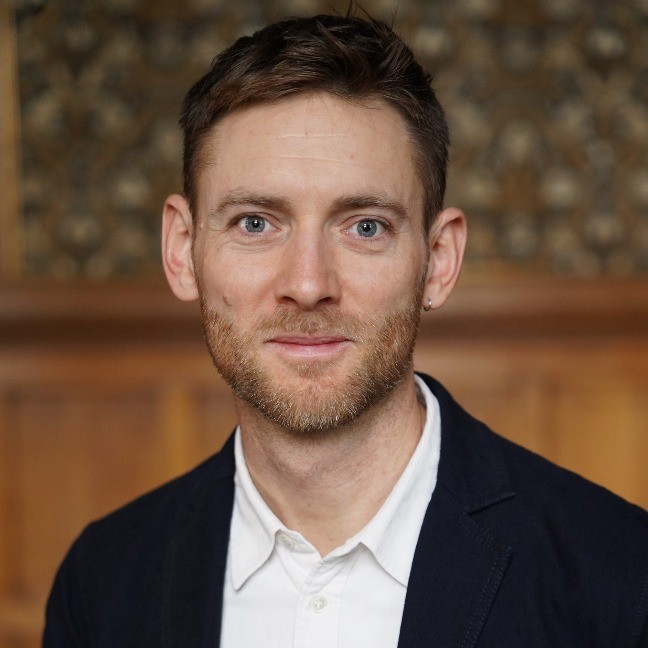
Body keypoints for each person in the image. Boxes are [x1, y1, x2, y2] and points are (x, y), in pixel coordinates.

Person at [44, 12, 648, 648]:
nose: (308, 284)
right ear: (181, 249)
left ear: (439, 260)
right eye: (255, 223)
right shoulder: (101, 585)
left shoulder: (623, 582)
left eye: (364, 227)